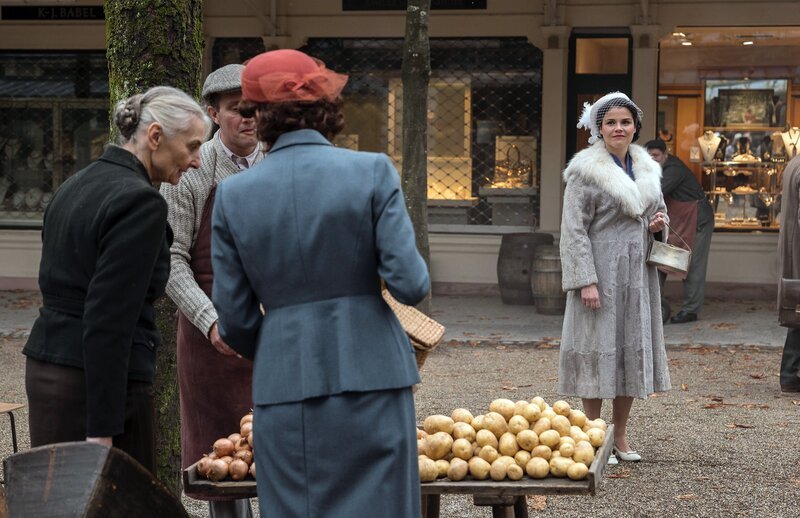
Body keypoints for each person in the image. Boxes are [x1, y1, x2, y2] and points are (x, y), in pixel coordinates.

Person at [211, 49, 429, 517]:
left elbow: (234, 320)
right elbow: (411, 284)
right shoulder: (371, 172)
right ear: (325, 108)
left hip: (285, 381)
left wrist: (279, 341)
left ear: (257, 114)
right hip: (374, 374)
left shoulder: (232, 195)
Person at [23, 86, 210, 473]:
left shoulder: (74, 185)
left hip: (47, 370)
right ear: (155, 136)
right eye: (192, 147)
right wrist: (102, 430)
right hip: (99, 390)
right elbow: (109, 319)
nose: (195, 161)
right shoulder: (141, 203)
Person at [160, 64, 263, 518]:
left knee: (276, 455)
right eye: (238, 110)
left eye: (257, 108)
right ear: (213, 113)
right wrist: (210, 321)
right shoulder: (194, 170)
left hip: (273, 332)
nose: (250, 118)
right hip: (211, 339)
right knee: (223, 464)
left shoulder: (278, 161)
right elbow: (170, 257)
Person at [559, 92, 672, 466]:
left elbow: (659, 216)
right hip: (600, 271)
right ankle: (593, 436)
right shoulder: (583, 173)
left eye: (625, 121)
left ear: (635, 126)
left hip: (638, 273)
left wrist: (658, 226)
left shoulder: (647, 169)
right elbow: (573, 231)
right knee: (595, 351)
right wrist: (585, 281)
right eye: (610, 122)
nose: (618, 128)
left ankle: (620, 435)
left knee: (629, 350)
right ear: (598, 128)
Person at [645, 138, 714, 324]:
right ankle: (652, 303)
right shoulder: (653, 170)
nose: (653, 159)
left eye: (656, 156)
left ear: (665, 155)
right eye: (649, 156)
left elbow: (653, 194)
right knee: (660, 260)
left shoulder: (673, 170)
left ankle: (691, 310)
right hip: (677, 221)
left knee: (692, 265)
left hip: (698, 221)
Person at [777, 155, 800, 393]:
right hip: (797, 247)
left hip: (794, 245)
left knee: (798, 309)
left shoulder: (794, 162)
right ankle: (790, 373)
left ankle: (790, 373)